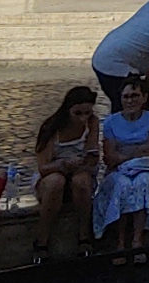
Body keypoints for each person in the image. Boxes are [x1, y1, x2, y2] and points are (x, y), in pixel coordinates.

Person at [93, 76, 149, 264]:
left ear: (144, 97)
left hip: (145, 169)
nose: (130, 100)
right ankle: (120, 242)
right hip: (117, 171)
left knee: (142, 182)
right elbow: (110, 158)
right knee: (122, 185)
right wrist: (141, 149)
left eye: (135, 96)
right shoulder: (111, 122)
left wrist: (124, 153)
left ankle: (137, 240)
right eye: (126, 96)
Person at [31, 86, 99, 263]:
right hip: (52, 174)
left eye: (87, 113)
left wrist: (88, 159)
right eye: (78, 113)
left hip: (79, 173)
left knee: (82, 181)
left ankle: (84, 236)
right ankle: (42, 240)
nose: (83, 118)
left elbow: (92, 155)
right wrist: (62, 164)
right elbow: (43, 168)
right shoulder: (51, 128)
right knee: (56, 182)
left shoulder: (92, 123)